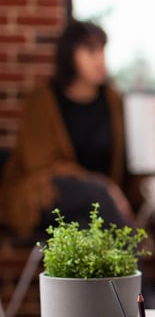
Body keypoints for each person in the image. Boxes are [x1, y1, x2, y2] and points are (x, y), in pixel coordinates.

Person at [0, 20, 137, 237]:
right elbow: (41, 164)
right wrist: (104, 187)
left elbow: (125, 159)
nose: (100, 59)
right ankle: (134, 269)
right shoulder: (42, 101)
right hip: (45, 195)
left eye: (103, 50)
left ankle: (126, 269)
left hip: (98, 206)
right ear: (69, 55)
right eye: (91, 50)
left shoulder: (112, 100)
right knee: (98, 201)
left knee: (89, 227)